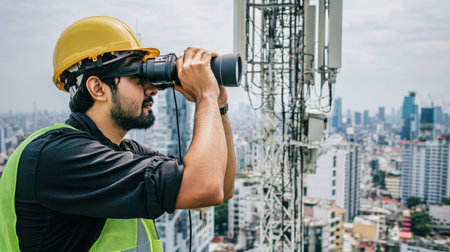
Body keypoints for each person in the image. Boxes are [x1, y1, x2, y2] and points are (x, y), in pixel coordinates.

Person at [0, 16, 236, 251]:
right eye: (138, 78)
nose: (153, 89)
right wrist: (205, 95)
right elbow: (204, 187)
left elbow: (221, 186)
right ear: (98, 88)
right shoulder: (58, 157)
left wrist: (218, 105)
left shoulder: (122, 151)